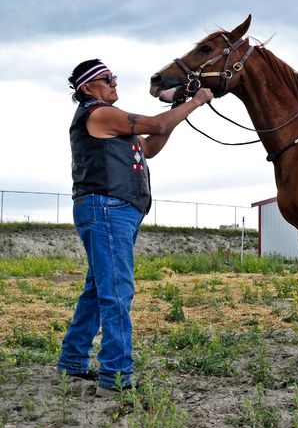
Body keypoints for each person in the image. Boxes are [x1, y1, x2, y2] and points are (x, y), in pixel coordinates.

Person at [56, 59, 213, 394]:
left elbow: (151, 146)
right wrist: (195, 101)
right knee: (116, 292)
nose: (114, 82)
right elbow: (155, 125)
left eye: (114, 77)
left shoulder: (109, 124)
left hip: (112, 210)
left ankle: (72, 362)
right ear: (88, 88)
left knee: (99, 290)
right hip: (107, 209)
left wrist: (178, 109)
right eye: (106, 79)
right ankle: (115, 376)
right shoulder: (98, 113)